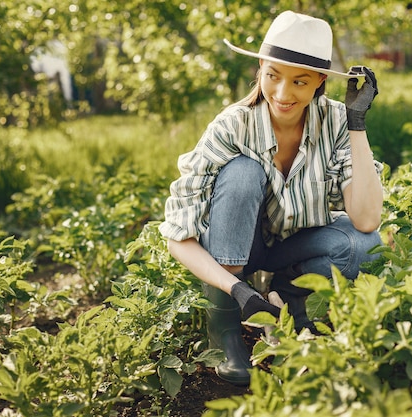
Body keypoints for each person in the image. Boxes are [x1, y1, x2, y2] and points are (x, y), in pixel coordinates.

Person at [159, 10, 384, 386]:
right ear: (261, 67)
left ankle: (289, 299)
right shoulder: (233, 125)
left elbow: (365, 219)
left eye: (300, 81)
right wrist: (236, 288)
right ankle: (226, 328)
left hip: (288, 248)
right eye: (273, 75)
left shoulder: (334, 121)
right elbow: (176, 236)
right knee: (244, 172)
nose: (283, 93)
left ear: (319, 81)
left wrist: (356, 123)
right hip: (234, 254)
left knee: (362, 245)